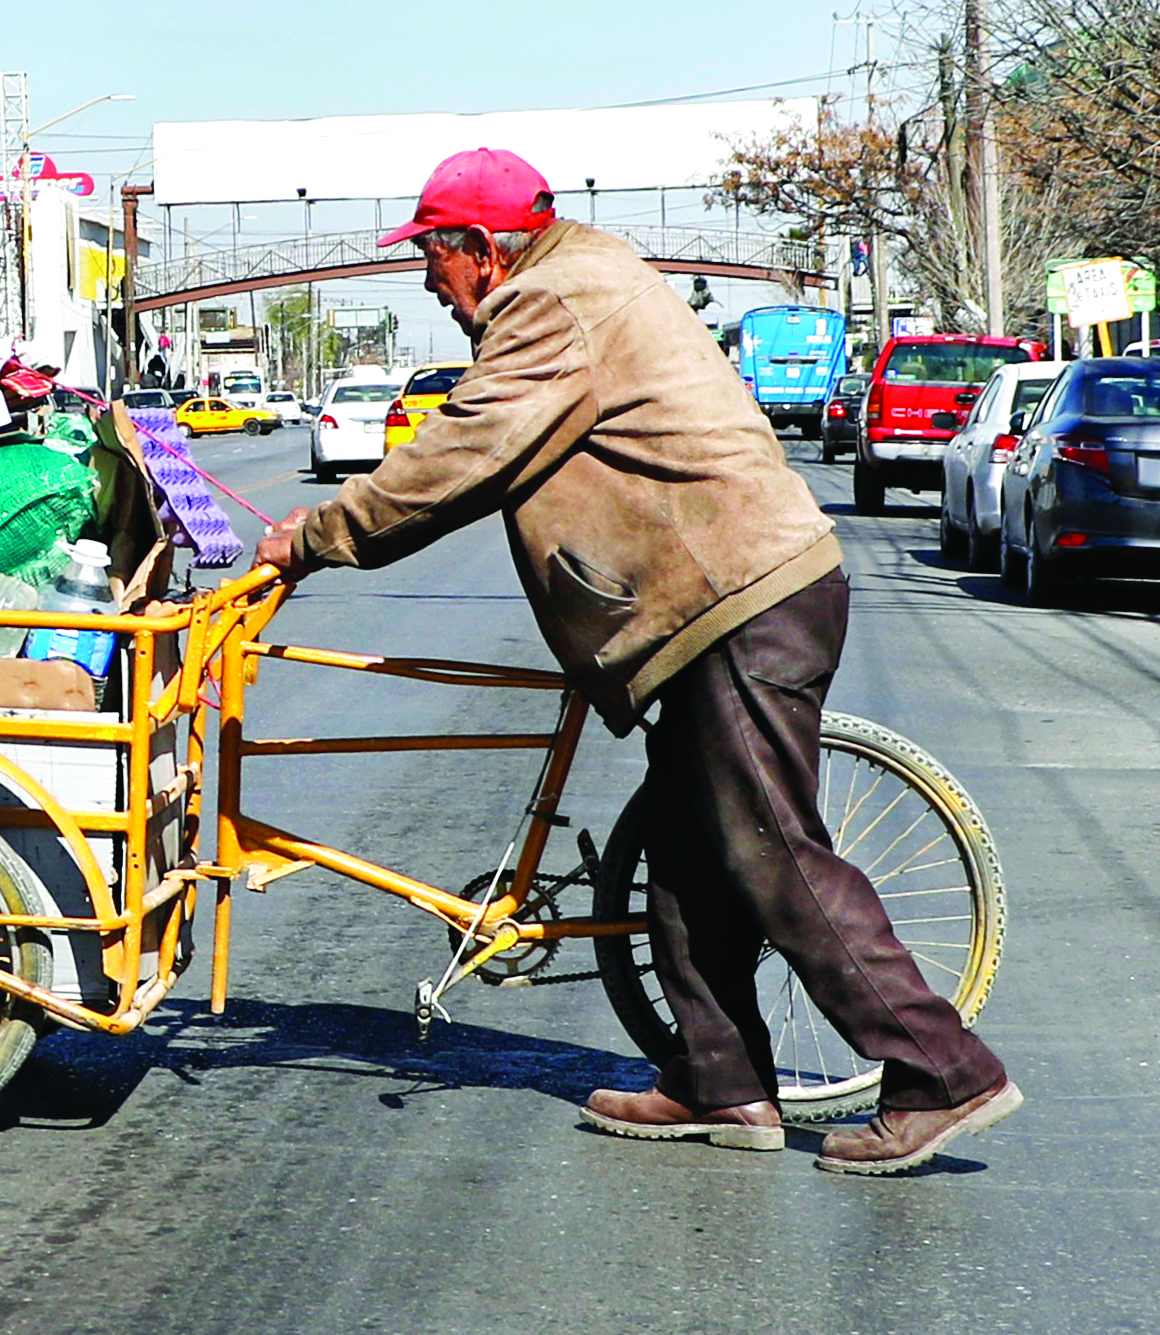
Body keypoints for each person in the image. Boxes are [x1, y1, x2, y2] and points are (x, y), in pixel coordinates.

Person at [254, 148, 1020, 1175]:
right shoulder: (582, 280)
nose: (427, 283)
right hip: (718, 603)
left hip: (737, 599)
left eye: (432, 258)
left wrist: (315, 538)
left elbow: (465, 451)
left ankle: (942, 1072)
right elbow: (487, 466)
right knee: (685, 849)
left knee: (769, 849)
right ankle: (720, 1080)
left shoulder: (552, 302)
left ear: (482, 250)